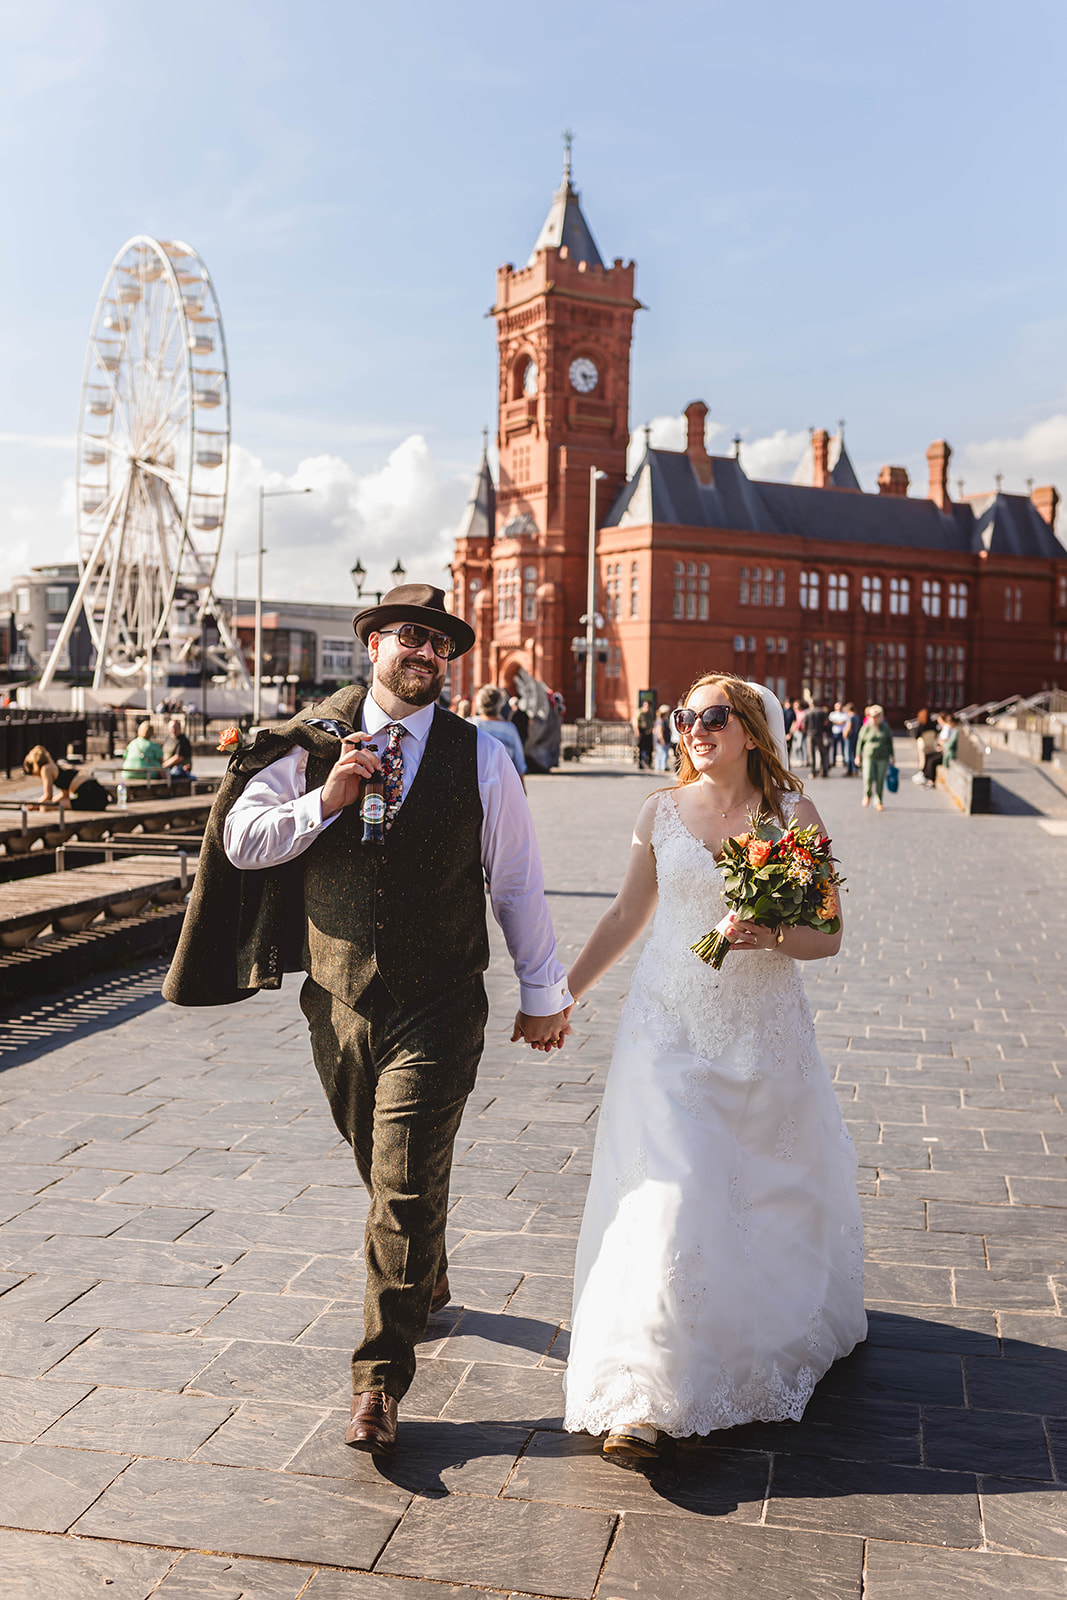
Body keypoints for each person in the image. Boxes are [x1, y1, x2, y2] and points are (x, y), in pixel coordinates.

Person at [164, 583, 571, 1455]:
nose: (425, 653)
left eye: (440, 644)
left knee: (404, 1178)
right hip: (339, 998)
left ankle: (378, 1381)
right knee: (382, 1166)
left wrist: (543, 992)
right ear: (373, 644)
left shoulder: (481, 755)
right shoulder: (308, 744)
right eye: (409, 636)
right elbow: (241, 841)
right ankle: (425, 1269)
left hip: (441, 999)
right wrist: (326, 799)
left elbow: (515, 881)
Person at [562, 672, 865, 1465]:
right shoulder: (658, 811)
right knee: (670, 1193)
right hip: (665, 1027)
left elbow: (827, 936)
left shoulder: (793, 816)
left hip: (762, 1033)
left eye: (713, 716)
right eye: (684, 716)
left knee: (755, 1195)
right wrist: (558, 996)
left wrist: (773, 936)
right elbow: (626, 914)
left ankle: (740, 1336)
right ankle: (642, 1397)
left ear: (751, 730)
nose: (695, 728)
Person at [22, 744, 110, 811]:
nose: (33, 776)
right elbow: (64, 795)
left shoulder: (46, 769)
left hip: (89, 795)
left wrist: (35, 805)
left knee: (46, 807)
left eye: (31, 772)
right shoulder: (56, 767)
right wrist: (40, 804)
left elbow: (48, 796)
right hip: (99, 793)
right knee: (52, 805)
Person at [473, 685, 526, 776]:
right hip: (502, 779)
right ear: (500, 704)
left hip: (475, 779)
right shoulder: (509, 729)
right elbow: (519, 764)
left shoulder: (471, 724)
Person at [857, 703, 893, 810]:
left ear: (881, 717)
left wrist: (892, 756)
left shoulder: (885, 728)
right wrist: (858, 755)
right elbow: (860, 742)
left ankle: (878, 800)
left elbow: (889, 742)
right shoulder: (866, 727)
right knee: (868, 777)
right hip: (868, 756)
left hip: (883, 756)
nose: (874, 719)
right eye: (872, 716)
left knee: (880, 779)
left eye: (876, 716)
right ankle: (867, 794)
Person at [807, 700, 832, 778]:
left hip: (810, 734)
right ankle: (823, 771)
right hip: (819, 734)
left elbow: (803, 724)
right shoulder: (821, 712)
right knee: (822, 753)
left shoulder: (807, 712)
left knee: (811, 754)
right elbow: (825, 722)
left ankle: (813, 772)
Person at [652, 704, 673, 773]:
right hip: (662, 740)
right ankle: (662, 767)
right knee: (662, 754)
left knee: (660, 754)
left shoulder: (663, 720)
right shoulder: (661, 721)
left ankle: (660, 767)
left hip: (663, 740)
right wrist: (662, 740)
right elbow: (659, 732)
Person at [842, 703, 861, 776]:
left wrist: (845, 734)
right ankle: (854, 769)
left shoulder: (850, 717)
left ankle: (851, 770)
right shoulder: (857, 717)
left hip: (850, 737)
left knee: (849, 754)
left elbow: (849, 726)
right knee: (854, 753)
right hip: (856, 736)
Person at [635, 701, 654, 770]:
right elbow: (635, 722)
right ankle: (640, 763)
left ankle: (649, 762)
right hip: (641, 731)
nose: (646, 707)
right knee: (641, 748)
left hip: (648, 731)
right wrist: (637, 732)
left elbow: (652, 722)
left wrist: (652, 729)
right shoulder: (640, 712)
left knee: (650, 748)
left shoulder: (650, 713)